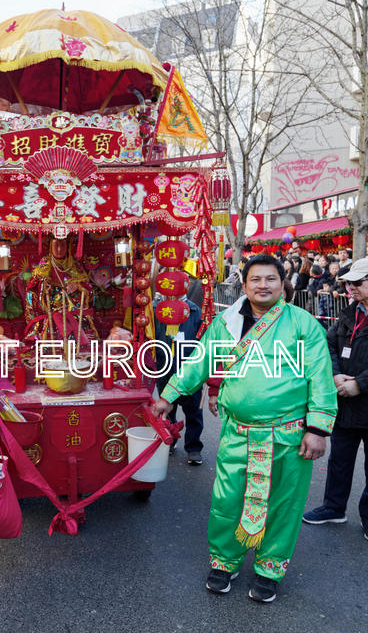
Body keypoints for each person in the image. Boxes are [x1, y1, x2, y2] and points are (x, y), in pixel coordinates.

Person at [152, 254, 337, 603]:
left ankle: (270, 568)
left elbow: (321, 377)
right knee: (227, 500)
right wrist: (169, 395)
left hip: (290, 433)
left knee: (283, 504)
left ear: (284, 284)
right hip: (238, 432)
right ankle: (224, 561)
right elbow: (200, 360)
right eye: (256, 279)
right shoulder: (227, 322)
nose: (263, 285)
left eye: (270, 279)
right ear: (244, 284)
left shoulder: (303, 324)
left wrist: (319, 428)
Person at [303, 257, 368, 540]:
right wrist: (335, 375)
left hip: (361, 396)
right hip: (345, 401)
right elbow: (329, 343)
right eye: (349, 283)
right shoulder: (350, 312)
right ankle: (333, 507)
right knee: (340, 459)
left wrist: (361, 384)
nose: (351, 288)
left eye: (357, 283)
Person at [155, 295, 204, 465]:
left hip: (189, 370)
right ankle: (170, 439)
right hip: (165, 368)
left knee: (194, 412)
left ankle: (193, 448)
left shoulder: (195, 310)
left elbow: (203, 338)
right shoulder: (157, 308)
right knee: (168, 410)